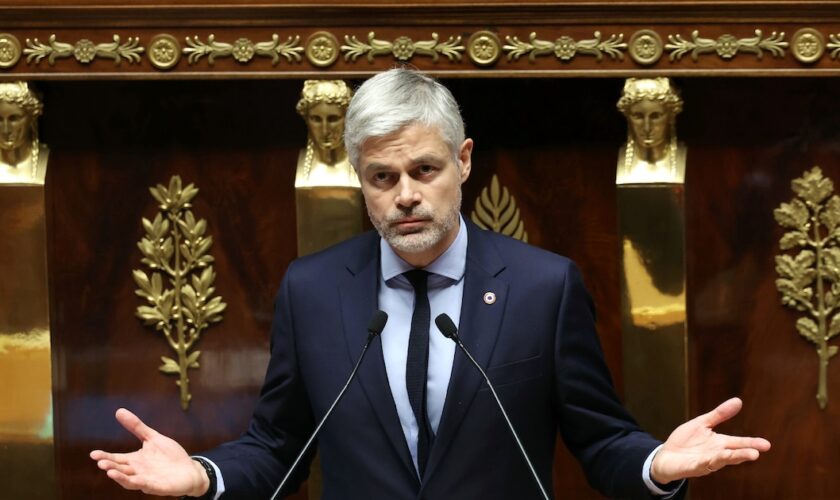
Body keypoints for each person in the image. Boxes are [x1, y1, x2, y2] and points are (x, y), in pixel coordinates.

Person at [90, 69, 770, 499]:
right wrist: (202, 477)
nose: (406, 196)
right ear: (361, 180)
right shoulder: (314, 290)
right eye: (383, 178)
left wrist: (657, 466)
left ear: (463, 161)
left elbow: (598, 442)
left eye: (424, 170)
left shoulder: (543, 288)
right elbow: (278, 447)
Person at [615, 77, 686, 185]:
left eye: (656, 116)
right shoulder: (616, 161)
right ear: (628, 117)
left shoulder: (685, 158)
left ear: (671, 116)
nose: (647, 128)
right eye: (638, 116)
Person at [294, 79, 358, 189]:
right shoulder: (303, 168)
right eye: (316, 119)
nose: (325, 131)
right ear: (306, 119)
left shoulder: (361, 164)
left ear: (348, 118)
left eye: (333, 119)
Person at [0, 81, 47, 184]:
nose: (6, 129)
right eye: (0, 120)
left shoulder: (49, 160)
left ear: (32, 118)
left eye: (14, 119)